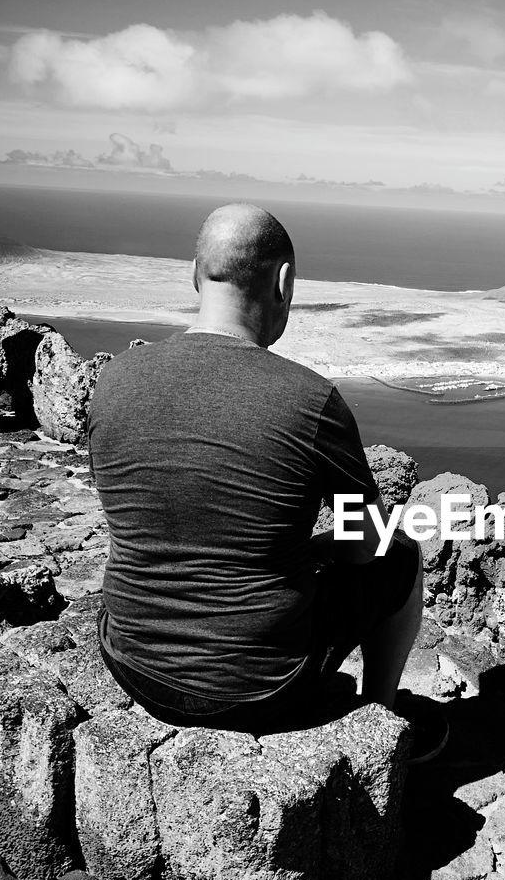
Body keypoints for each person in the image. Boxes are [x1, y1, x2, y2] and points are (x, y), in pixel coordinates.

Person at [88, 203, 444, 757]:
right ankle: (384, 727)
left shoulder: (113, 378)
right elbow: (361, 549)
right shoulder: (310, 400)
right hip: (256, 690)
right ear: (284, 281)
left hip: (130, 662)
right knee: (400, 555)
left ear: (195, 273)